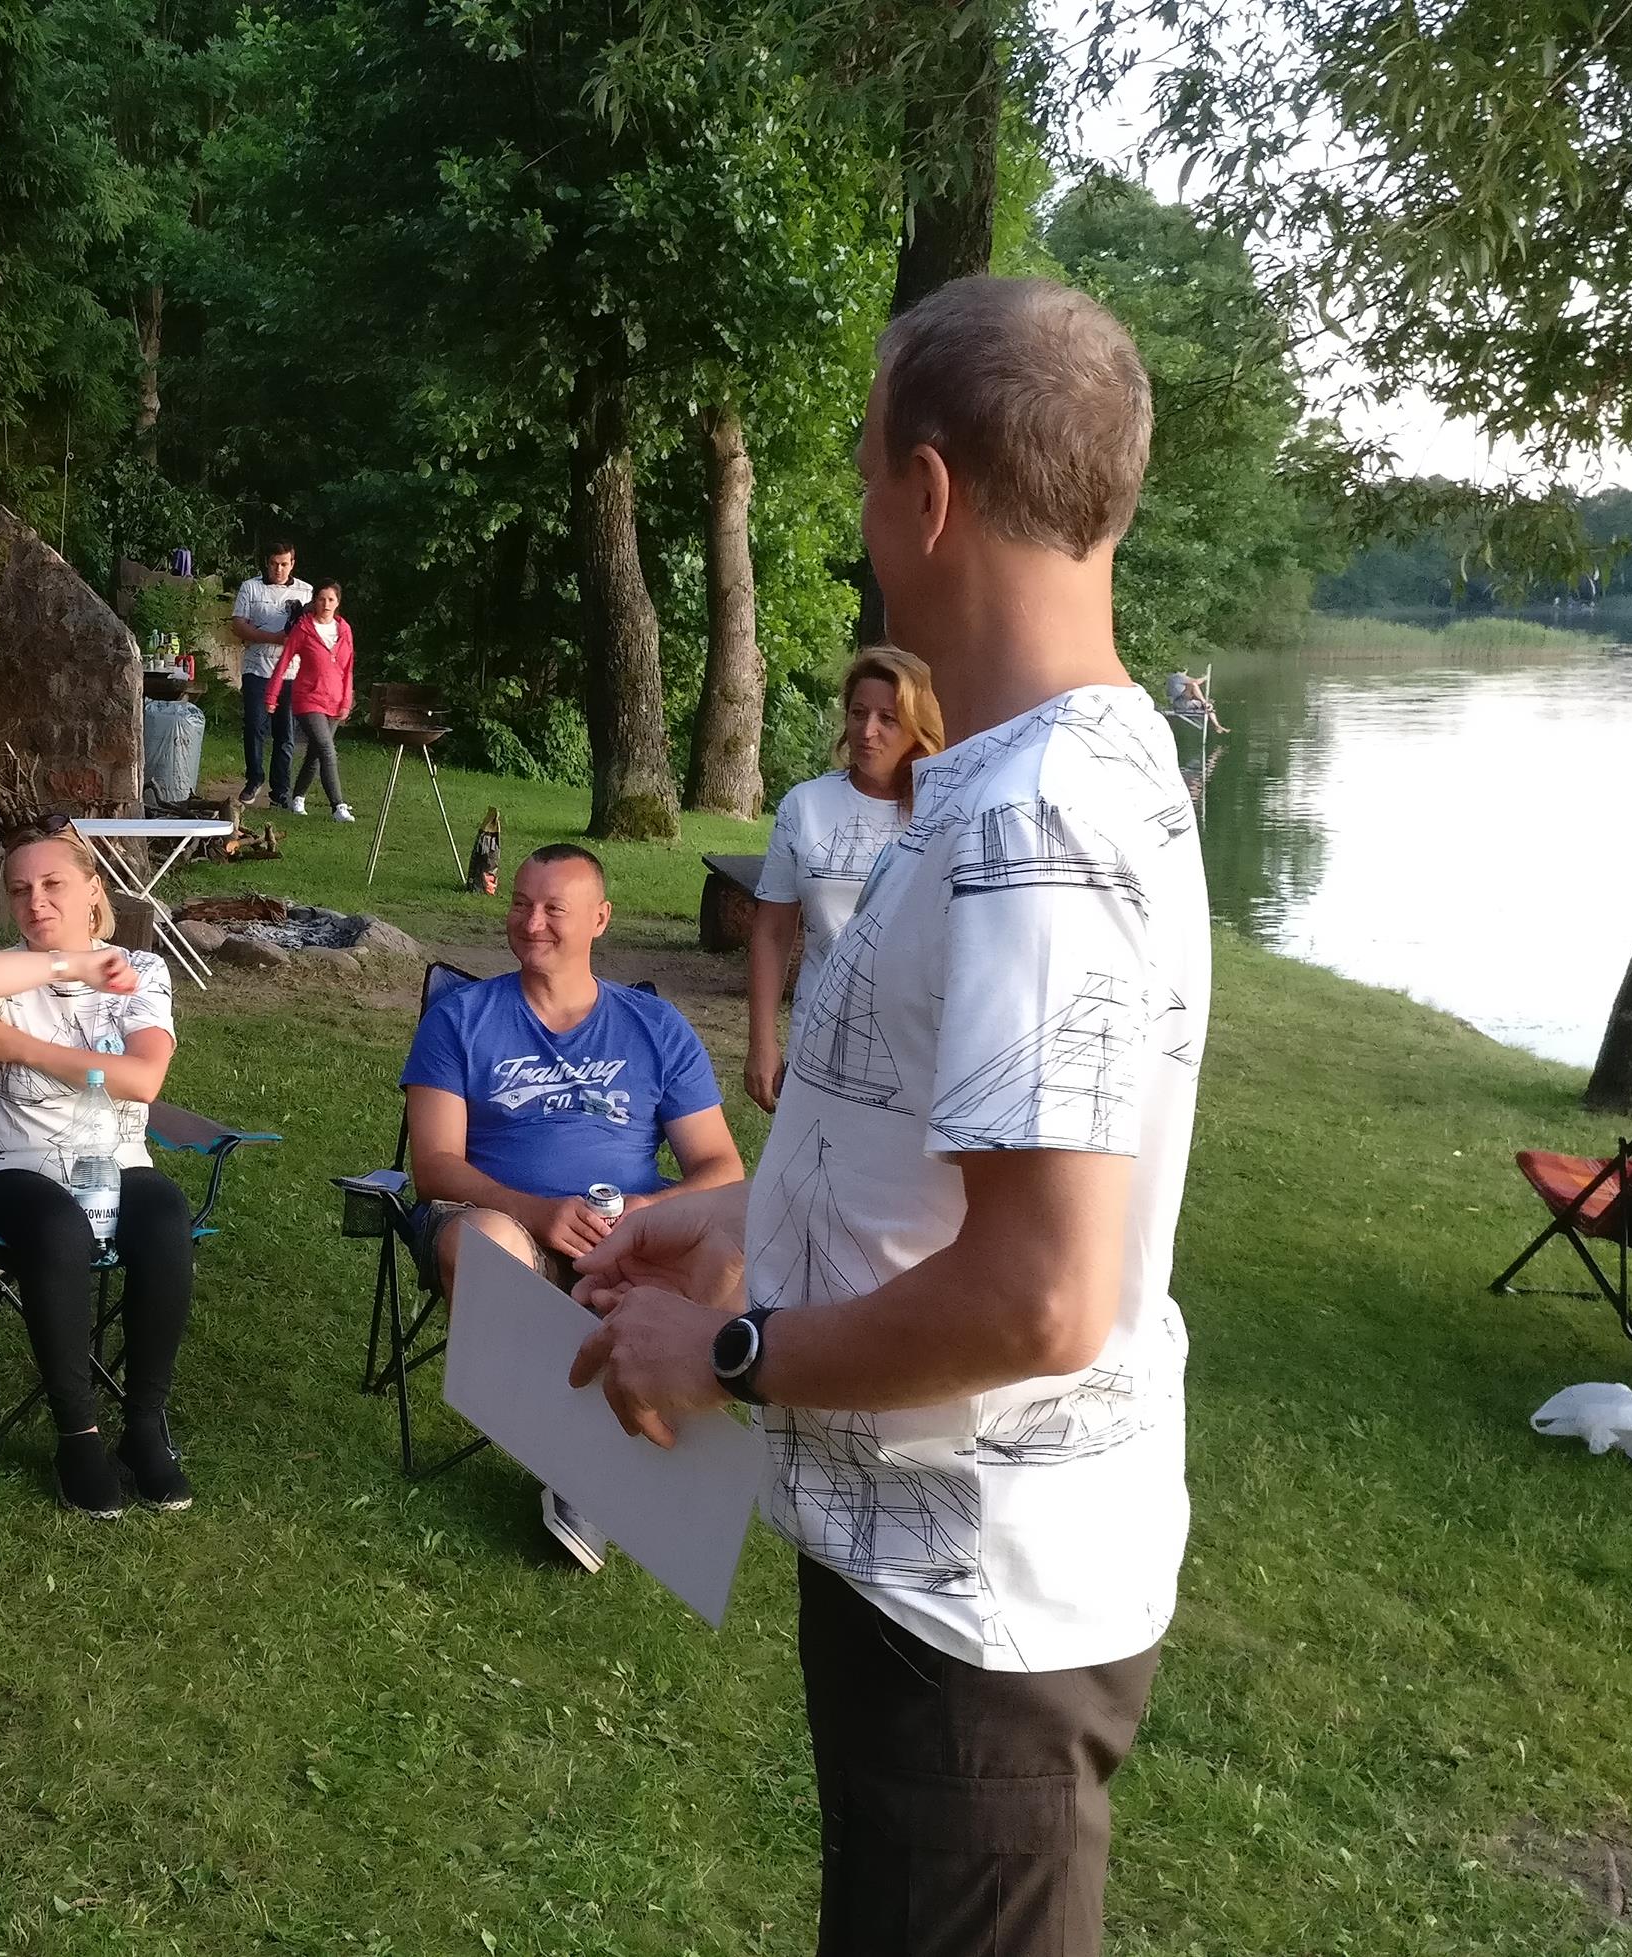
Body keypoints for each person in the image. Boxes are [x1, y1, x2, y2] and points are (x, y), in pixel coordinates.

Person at [570, 275, 1207, 1955]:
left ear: (927, 494)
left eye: (864, 475)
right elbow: (948, 1160)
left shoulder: (1039, 819)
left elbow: (1042, 1296)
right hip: (922, 1578)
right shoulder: (1022, 774)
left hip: (976, 1617)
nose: (862, 518)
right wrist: (734, 1218)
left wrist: (726, 1355)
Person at [398, 843, 743, 1569]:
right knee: (483, 1242)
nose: (532, 923)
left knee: (734, 1247)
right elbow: (434, 1166)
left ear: (600, 919)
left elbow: (720, 1167)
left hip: (631, 1239)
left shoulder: (654, 1026)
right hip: (506, 1222)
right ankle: (578, 1462)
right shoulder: (460, 1019)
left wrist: (645, 1212)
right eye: (521, 904)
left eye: (554, 908)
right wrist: (538, 1212)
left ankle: (647, 1436)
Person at [0, 830, 194, 1518]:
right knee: (56, 1225)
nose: (36, 901)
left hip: (115, 1162)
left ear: (93, 890)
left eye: (53, 885)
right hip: (6, 1167)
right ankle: (78, 1437)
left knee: (164, 1215)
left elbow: (142, 1079)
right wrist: (68, 965)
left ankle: (143, 1429)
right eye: (20, 889)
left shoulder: (141, 969)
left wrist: (19, 1045)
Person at [744, 644, 945, 1111]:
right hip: (819, 1033)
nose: (867, 731)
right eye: (858, 713)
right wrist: (762, 1041)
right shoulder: (805, 805)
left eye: (888, 719)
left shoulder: (945, 811)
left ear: (918, 727)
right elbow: (773, 931)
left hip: (918, 1045)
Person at [229, 544, 312, 805]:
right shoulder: (250, 588)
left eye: (284, 564)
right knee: (254, 725)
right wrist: (273, 638)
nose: (279, 569)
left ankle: (281, 791)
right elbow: (238, 626)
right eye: (274, 564)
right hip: (257, 668)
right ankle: (254, 778)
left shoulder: (306, 591)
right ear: (267, 563)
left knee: (285, 733)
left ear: (292, 564)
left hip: (291, 672)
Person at [271, 580, 359, 820]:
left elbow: (348, 669)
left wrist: (346, 702)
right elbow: (284, 662)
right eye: (321, 599)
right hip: (308, 698)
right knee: (327, 750)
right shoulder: (303, 628)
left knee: (316, 752)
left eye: (331, 600)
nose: (326, 604)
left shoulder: (344, 630)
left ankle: (298, 797)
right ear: (314, 602)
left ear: (337, 603)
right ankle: (338, 806)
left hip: (335, 700)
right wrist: (272, 695)